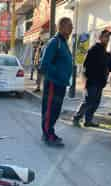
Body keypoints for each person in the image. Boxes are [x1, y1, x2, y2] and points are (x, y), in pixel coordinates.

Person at [40, 17, 73, 147]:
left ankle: (49, 132)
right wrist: (59, 74)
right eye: (69, 26)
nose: (71, 29)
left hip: (61, 83)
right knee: (50, 110)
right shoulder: (55, 42)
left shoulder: (63, 42)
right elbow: (44, 64)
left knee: (56, 110)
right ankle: (48, 136)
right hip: (54, 83)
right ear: (61, 27)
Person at [72, 29, 111, 127]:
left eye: (108, 37)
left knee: (95, 103)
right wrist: (87, 79)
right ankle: (76, 118)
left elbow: (109, 67)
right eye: (105, 36)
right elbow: (86, 65)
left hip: (100, 82)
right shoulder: (93, 49)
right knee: (88, 101)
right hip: (92, 81)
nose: (107, 38)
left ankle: (88, 121)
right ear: (100, 37)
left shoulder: (106, 53)